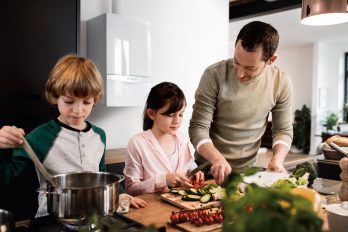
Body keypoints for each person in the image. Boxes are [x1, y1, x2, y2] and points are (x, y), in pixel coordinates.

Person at [0, 54, 146, 217]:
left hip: (95, 216)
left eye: (86, 102)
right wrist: (2, 148)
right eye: (69, 102)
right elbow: (5, 176)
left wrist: (119, 193)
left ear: (95, 99)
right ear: (55, 97)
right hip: (53, 218)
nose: (78, 110)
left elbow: (101, 173)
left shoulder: (99, 135)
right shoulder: (40, 136)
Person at [189, 21, 293, 184]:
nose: (240, 74)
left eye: (250, 68)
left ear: (271, 60)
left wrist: (278, 159)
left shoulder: (281, 82)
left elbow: (283, 130)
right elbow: (198, 128)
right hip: (207, 171)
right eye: (236, 62)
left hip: (247, 173)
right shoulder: (214, 75)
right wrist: (217, 159)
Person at [124, 82, 204, 196]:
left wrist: (195, 173)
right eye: (170, 115)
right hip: (152, 210)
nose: (177, 121)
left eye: (181, 114)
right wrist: (164, 180)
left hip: (181, 206)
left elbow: (190, 166)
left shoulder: (182, 139)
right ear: (152, 114)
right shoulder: (137, 143)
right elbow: (131, 188)